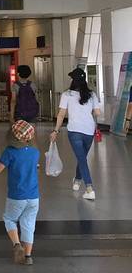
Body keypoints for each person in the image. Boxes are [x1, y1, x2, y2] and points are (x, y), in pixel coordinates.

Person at [0, 120, 40, 265]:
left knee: (9, 219)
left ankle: (16, 244)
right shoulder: (35, 152)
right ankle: (28, 256)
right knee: (29, 224)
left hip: (17, 196)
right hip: (34, 197)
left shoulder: (10, 152)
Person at [51, 68, 102, 201]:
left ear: (73, 80)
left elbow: (61, 114)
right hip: (89, 130)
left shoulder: (67, 95)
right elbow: (97, 113)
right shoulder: (92, 94)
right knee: (82, 157)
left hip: (74, 131)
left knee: (81, 158)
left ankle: (89, 189)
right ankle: (77, 181)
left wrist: (56, 130)